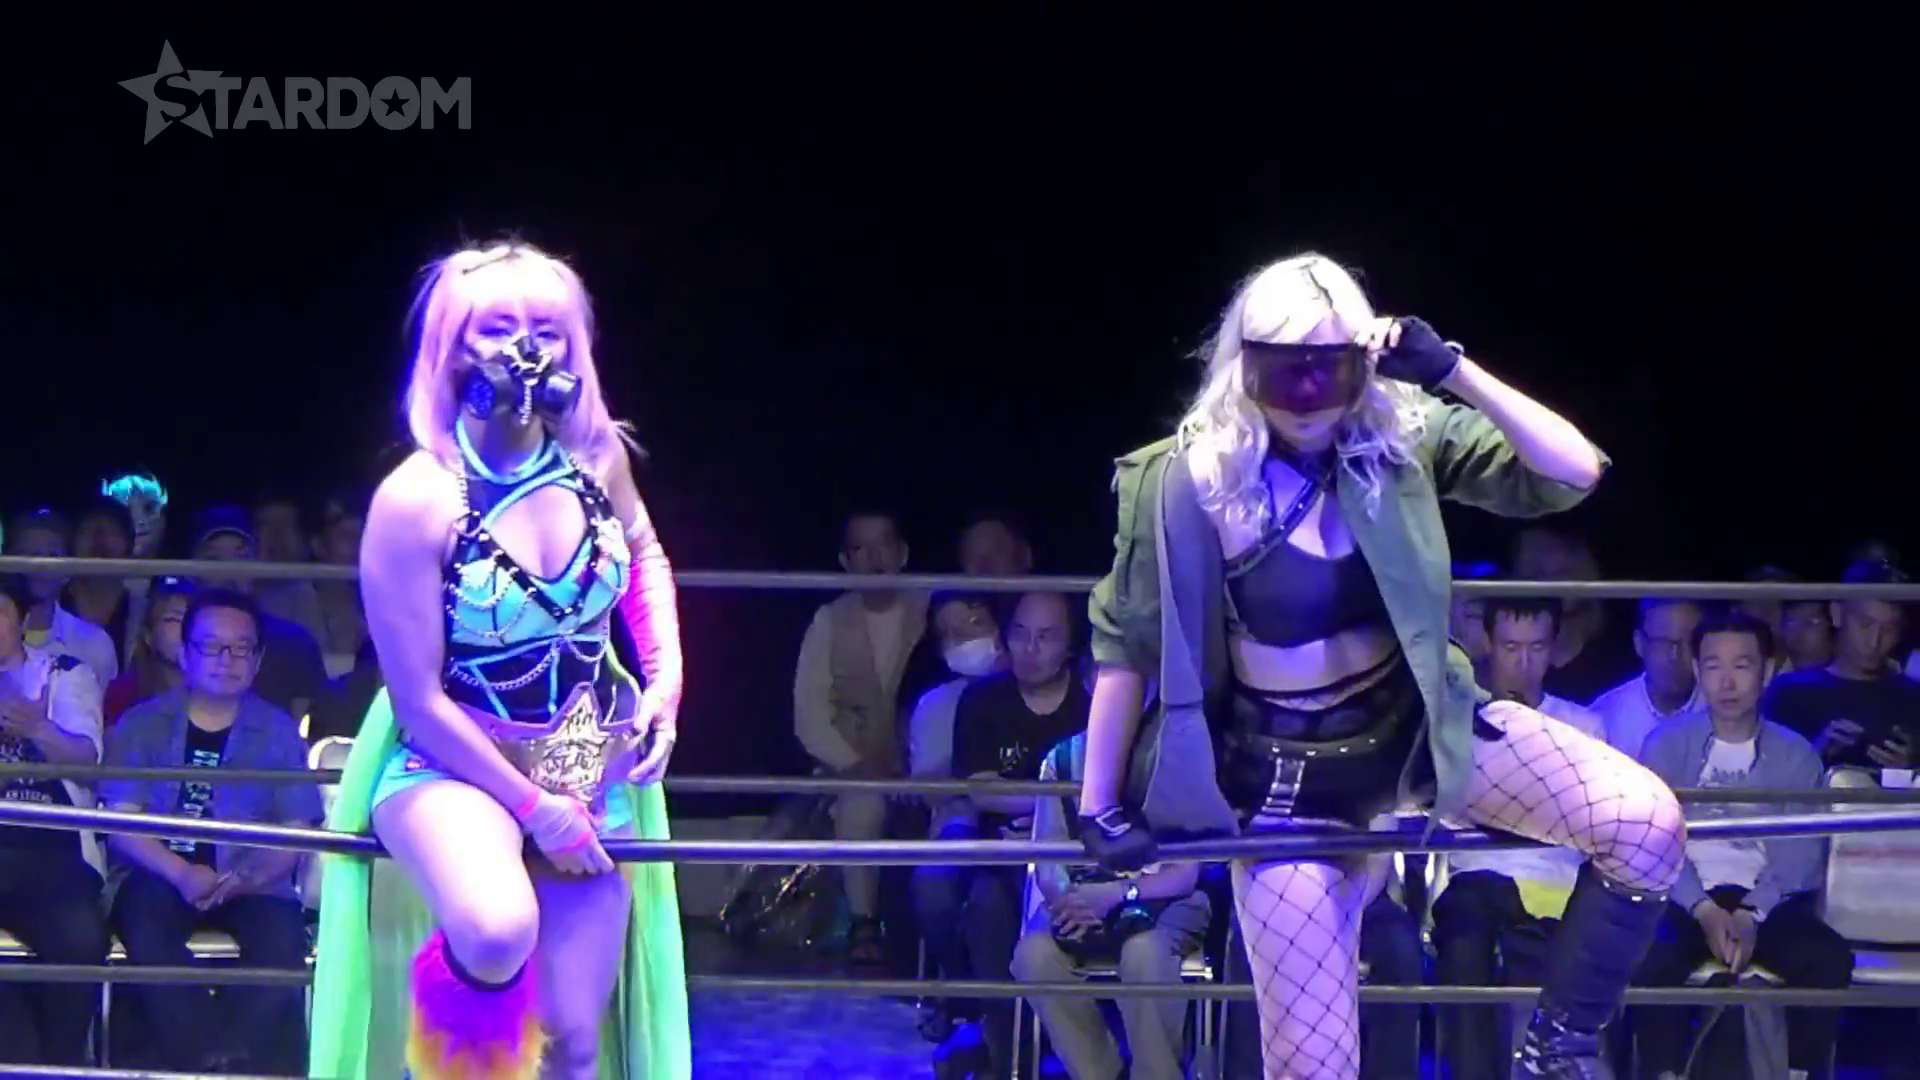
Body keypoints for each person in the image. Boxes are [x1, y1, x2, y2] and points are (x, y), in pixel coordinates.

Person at [1073, 254, 1686, 1080]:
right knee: (1317, 1066)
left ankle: (1559, 1045)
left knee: (1646, 825)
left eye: (1328, 368)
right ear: (1245, 363)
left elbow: (1574, 471)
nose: (1307, 397)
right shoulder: (1188, 477)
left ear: (1362, 360)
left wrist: (1453, 369)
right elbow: (1123, 643)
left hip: (1418, 737)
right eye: (1285, 370)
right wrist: (1098, 803)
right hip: (1284, 785)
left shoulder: (1403, 436)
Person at [308, 241, 691, 1080]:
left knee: (571, 1037)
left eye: (547, 330)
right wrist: (535, 810)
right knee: (494, 928)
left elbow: (644, 555)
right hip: (453, 762)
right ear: (453, 348)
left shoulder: (597, 458)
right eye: (499, 327)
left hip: (587, 759)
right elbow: (418, 702)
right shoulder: (417, 498)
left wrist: (665, 680)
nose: (526, 349)